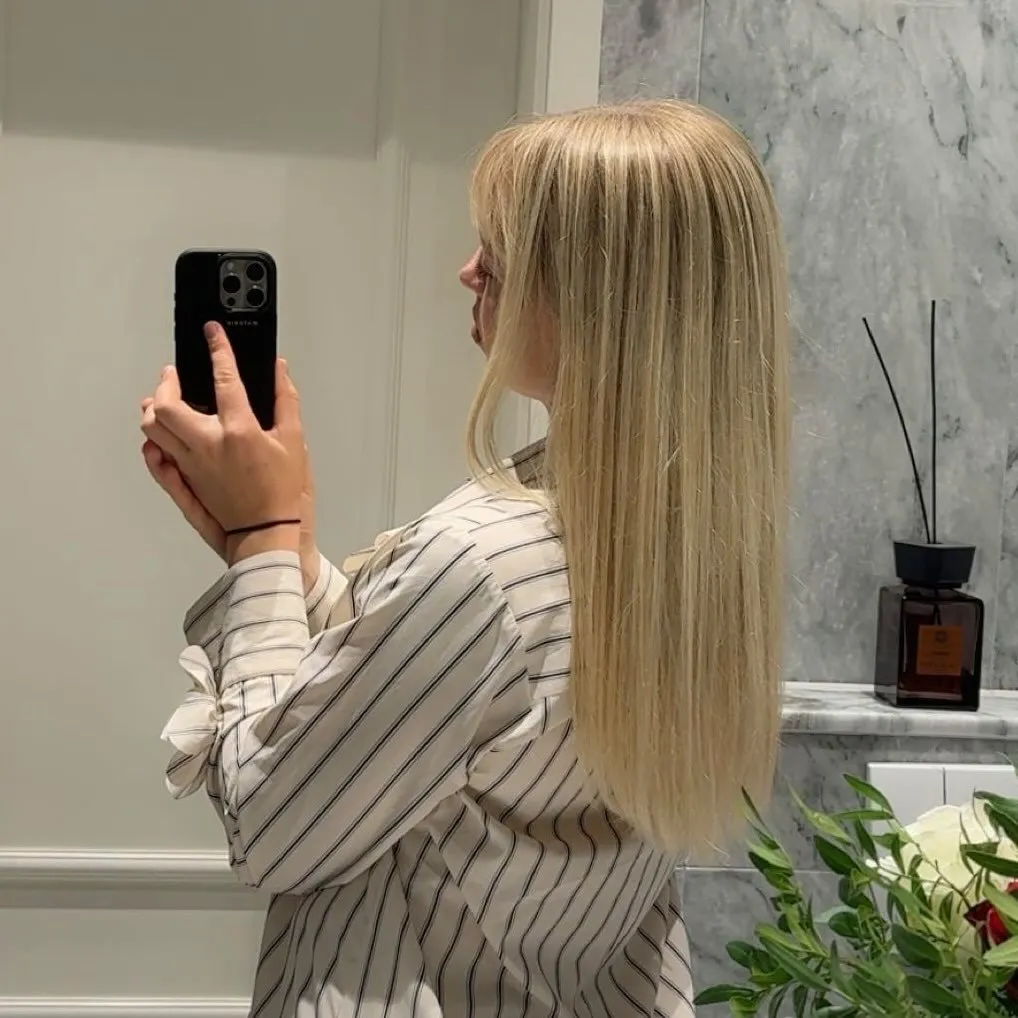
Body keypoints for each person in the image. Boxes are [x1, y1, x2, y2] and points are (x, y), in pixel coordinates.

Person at [139, 99, 789, 1018]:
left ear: (596, 298)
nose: (470, 270)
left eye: (503, 251)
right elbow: (441, 712)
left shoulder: (487, 564)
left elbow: (270, 823)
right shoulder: (686, 546)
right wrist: (285, 550)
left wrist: (260, 544)